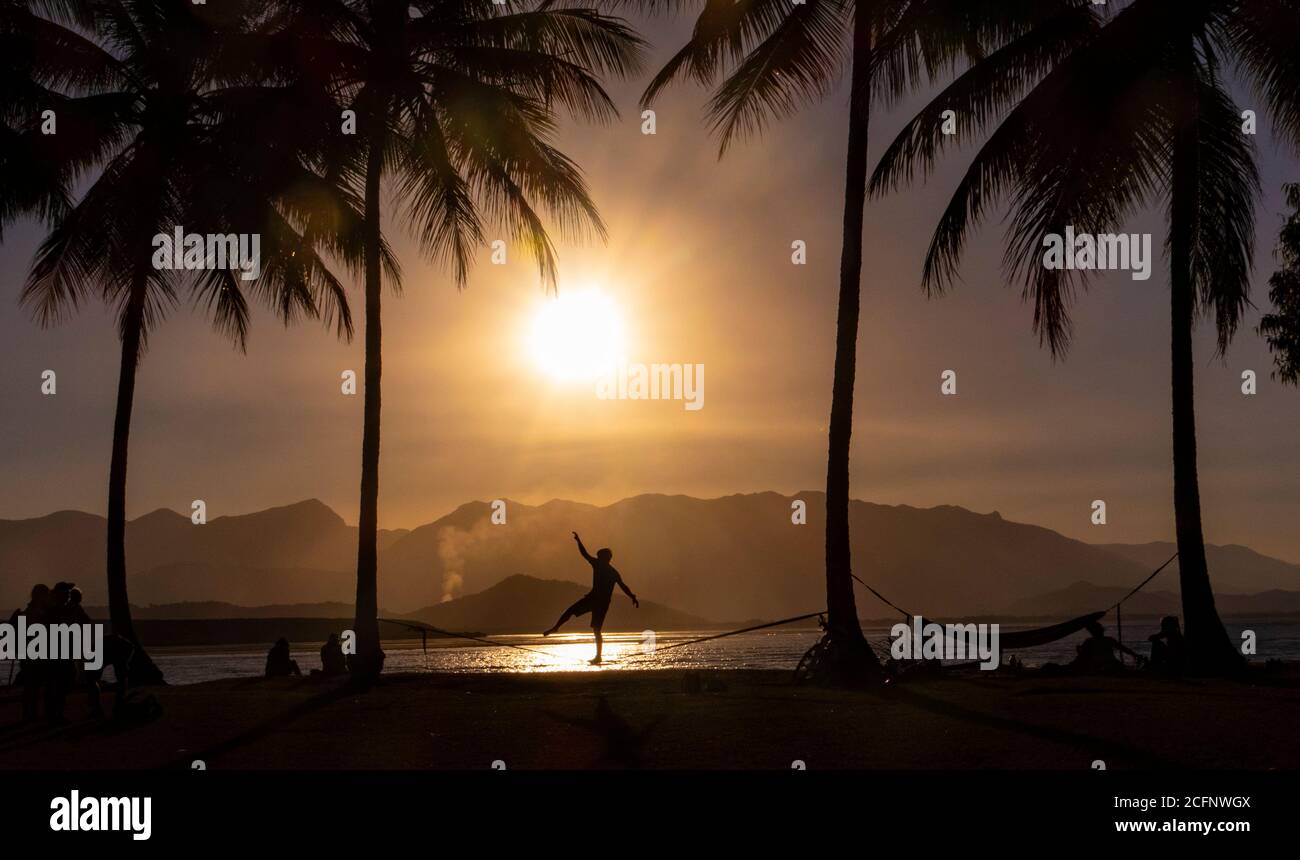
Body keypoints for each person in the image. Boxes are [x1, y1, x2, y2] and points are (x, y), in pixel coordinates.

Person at [543, 532, 639, 664]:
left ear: (606, 558)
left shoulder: (606, 568)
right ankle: (556, 628)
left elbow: (623, 586)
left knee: (595, 629)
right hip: (596, 600)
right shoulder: (603, 567)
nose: (597, 558)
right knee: (576, 614)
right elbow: (585, 554)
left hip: (598, 602)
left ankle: (597, 656)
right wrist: (578, 541)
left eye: (599, 556)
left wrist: (632, 596)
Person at [9, 584, 50, 722]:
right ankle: (30, 714)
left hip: (33, 653)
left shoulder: (32, 611)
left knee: (33, 686)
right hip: (32, 654)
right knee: (32, 686)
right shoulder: (34, 612)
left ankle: (30, 713)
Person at [1069, 621, 1143, 674]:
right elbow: (1125, 649)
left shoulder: (1089, 641)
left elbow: (1082, 656)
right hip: (1109, 663)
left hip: (1099, 664)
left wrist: (1078, 650)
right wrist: (1135, 655)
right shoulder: (1109, 640)